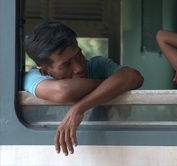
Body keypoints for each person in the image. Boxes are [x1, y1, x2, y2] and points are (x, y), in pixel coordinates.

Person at [24, 22, 144, 155]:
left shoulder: (97, 66)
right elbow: (64, 91)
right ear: (46, 70)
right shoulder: (32, 76)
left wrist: (79, 108)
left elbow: (133, 77)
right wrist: (111, 85)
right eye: (66, 65)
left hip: (107, 151)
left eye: (79, 55)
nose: (79, 68)